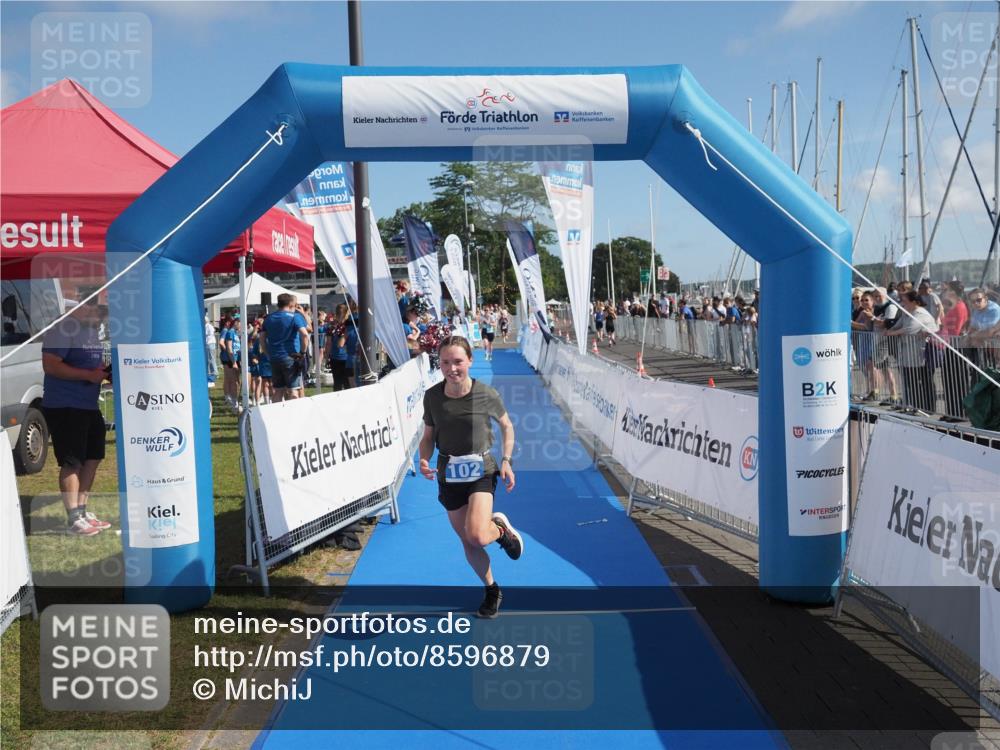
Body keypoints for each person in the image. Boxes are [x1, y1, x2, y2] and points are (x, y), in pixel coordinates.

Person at [418, 336, 522, 619]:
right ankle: (492, 589)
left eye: (458, 362)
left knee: (477, 534)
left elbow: (507, 427)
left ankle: (499, 529)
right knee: (467, 541)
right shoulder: (432, 397)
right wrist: (424, 459)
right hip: (448, 474)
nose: (452, 368)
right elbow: (428, 436)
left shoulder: (485, 394)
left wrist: (506, 461)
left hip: (481, 471)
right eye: (445, 362)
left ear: (470, 361)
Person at [41, 299, 112, 536]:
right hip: (64, 406)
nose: (103, 318)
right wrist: (89, 375)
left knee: (93, 457)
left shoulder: (91, 331)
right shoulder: (62, 328)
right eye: (100, 312)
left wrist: (104, 372)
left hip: (88, 405)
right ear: (84, 307)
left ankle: (82, 511)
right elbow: (50, 366)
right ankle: (73, 518)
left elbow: (94, 364)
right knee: (72, 461)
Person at [261, 294, 309, 402]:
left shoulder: (268, 318)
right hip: (290, 357)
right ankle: (294, 415)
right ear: (291, 304)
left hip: (274, 358)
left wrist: (267, 354)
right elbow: (305, 335)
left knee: (278, 391)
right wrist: (302, 352)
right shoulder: (294, 317)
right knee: (293, 391)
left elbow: (262, 339)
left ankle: (276, 416)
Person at [204, 314, 217, 386]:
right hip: (208, 344)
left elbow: (211, 333)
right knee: (209, 359)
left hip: (210, 343)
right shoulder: (206, 326)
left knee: (211, 359)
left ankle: (214, 373)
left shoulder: (209, 326)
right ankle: (211, 372)